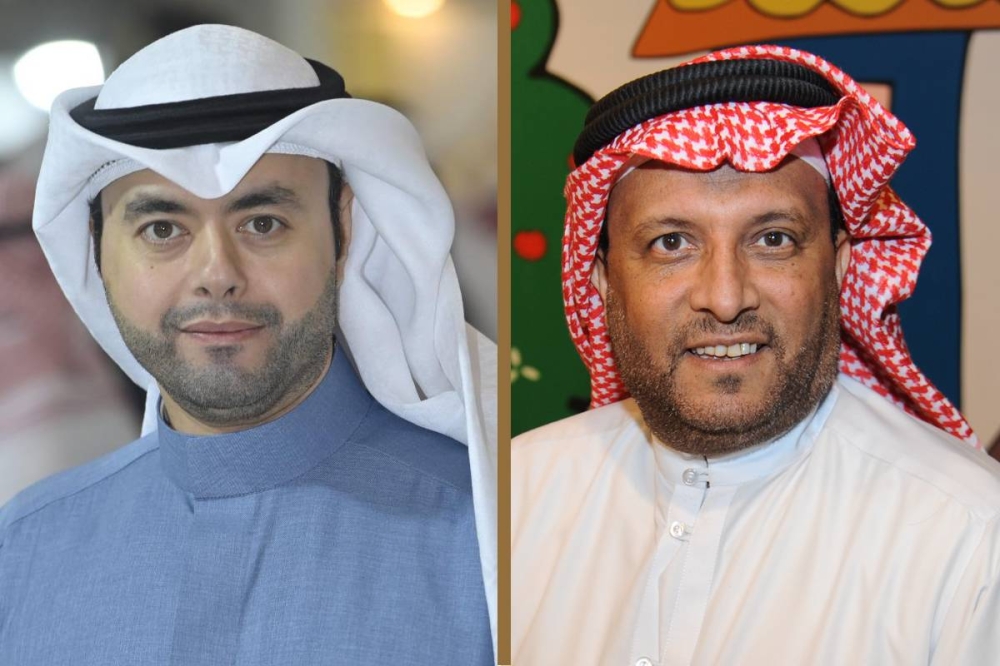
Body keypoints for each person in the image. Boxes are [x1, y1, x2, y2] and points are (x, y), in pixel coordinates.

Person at [0, 25, 496, 665]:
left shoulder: (496, 535)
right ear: (96, 252)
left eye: (263, 223)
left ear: (342, 229)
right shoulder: (26, 548)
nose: (217, 274)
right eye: (162, 229)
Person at [512, 45, 1000, 665]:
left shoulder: (968, 540)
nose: (725, 298)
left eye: (773, 239)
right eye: (671, 243)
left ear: (838, 266)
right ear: (605, 281)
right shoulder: (514, 497)